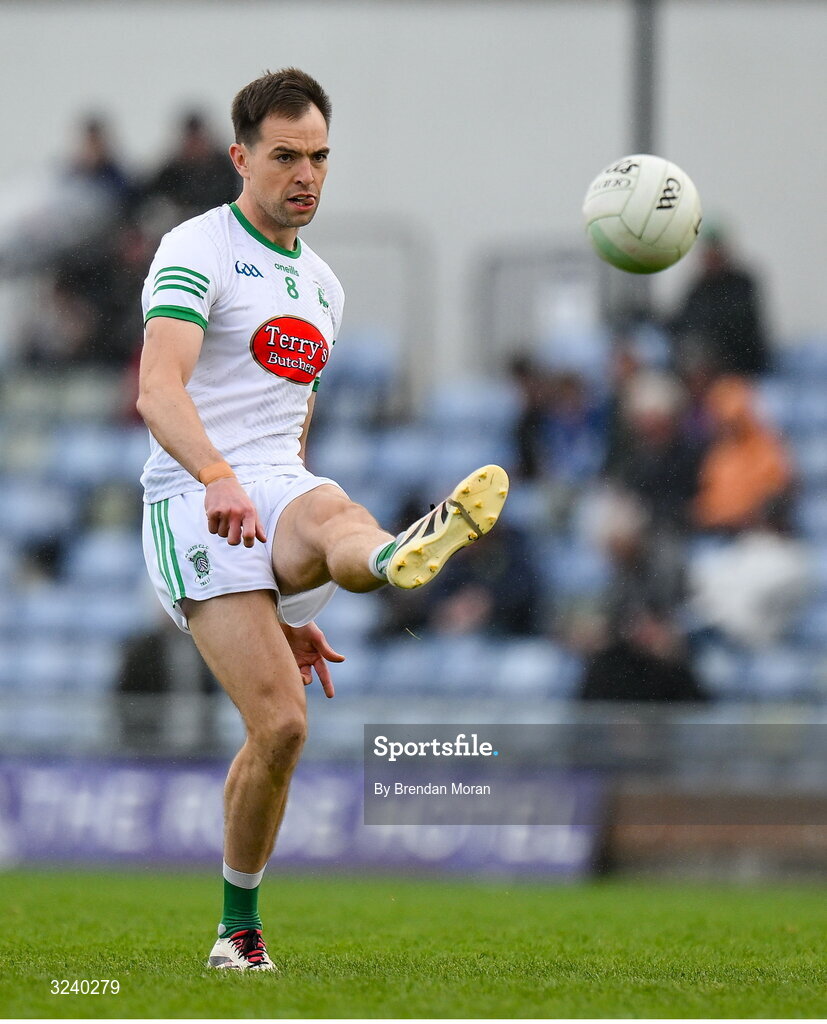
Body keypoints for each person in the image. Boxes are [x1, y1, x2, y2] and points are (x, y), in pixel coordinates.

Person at [136, 68, 508, 972]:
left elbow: (290, 427)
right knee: (284, 728)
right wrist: (217, 475)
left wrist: (293, 608)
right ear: (241, 158)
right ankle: (238, 931)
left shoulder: (325, 288)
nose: (306, 174)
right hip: (192, 502)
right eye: (286, 156)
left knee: (336, 508)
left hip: (275, 483)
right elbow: (156, 389)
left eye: (321, 157)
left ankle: (390, 554)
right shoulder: (197, 248)